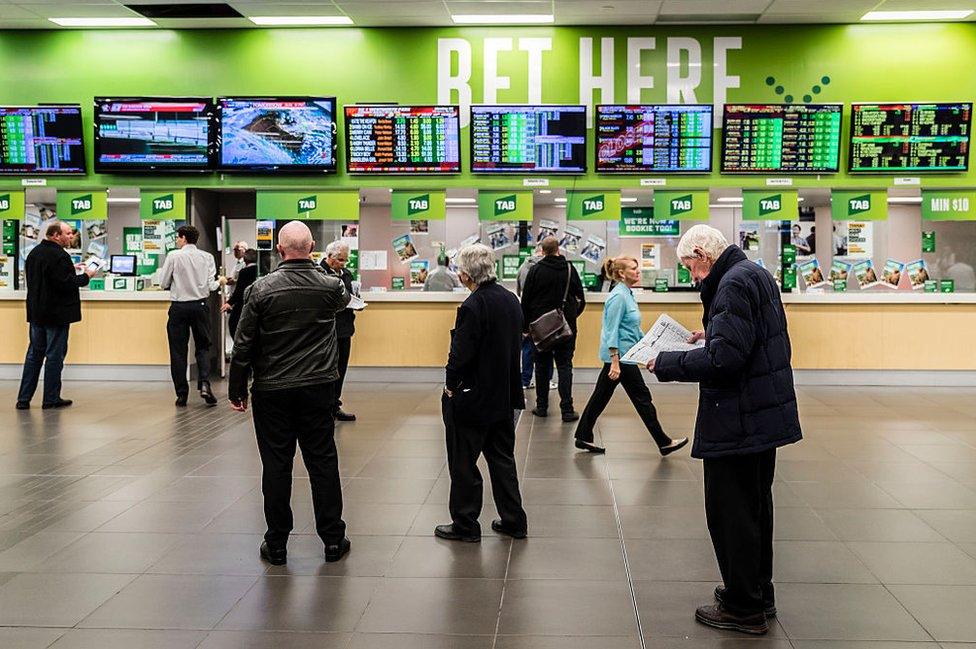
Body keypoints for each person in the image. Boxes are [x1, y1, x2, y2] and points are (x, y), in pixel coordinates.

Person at [648, 225, 802, 635]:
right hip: (761, 413)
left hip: (738, 418)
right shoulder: (753, 273)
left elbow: (725, 362)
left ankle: (742, 607)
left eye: (690, 267)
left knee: (730, 512)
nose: (692, 276)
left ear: (701, 253)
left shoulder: (731, 285)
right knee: (755, 509)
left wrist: (667, 362)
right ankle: (757, 592)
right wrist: (710, 334)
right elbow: (744, 340)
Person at [229, 221, 351, 566]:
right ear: (312, 247)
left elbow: (244, 344)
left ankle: (277, 543)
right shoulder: (331, 286)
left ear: (280, 250)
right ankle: (332, 539)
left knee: (277, 465)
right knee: (323, 461)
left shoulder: (260, 289)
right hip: (318, 387)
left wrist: (238, 388)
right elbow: (343, 303)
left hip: (272, 390)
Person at [436, 244, 528, 543]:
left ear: (465, 276)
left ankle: (465, 523)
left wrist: (450, 386)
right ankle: (514, 520)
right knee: (502, 460)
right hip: (504, 395)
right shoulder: (511, 300)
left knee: (463, 463)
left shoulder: (472, 306)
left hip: (473, 399)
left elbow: (460, 355)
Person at [573, 255, 689, 456]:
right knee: (642, 398)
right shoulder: (618, 297)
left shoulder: (627, 293)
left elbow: (632, 329)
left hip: (627, 355)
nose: (638, 272)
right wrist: (615, 361)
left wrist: (649, 349)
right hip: (621, 358)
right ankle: (663, 441)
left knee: (601, 396)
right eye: (634, 268)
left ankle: (583, 435)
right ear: (620, 273)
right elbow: (611, 331)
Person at [15, 222, 95, 410]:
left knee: (34, 355)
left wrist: (72, 268)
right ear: (56, 235)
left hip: (37, 314)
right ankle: (51, 398)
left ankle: (23, 399)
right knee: (54, 356)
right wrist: (87, 275)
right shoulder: (60, 255)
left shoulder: (34, 253)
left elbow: (49, 278)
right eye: (68, 233)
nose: (71, 236)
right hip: (56, 315)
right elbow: (65, 284)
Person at [520, 236, 585, 421]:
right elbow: (581, 299)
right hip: (566, 329)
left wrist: (526, 327)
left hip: (540, 329)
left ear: (542, 250)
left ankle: (541, 407)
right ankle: (567, 409)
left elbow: (526, 300)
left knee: (541, 366)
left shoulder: (535, 270)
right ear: (559, 249)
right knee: (565, 366)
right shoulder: (570, 270)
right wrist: (569, 319)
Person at [159, 225, 225, 408]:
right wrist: (219, 281)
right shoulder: (207, 257)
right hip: (200, 306)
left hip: (179, 308)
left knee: (178, 351)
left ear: (183, 238)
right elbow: (211, 286)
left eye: (177, 238)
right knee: (203, 346)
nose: (176, 241)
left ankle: (181, 394)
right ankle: (204, 383)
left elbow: (163, 282)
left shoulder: (173, 256)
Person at [320, 240, 358, 422]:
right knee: (328, 369)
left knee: (341, 368)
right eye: (340, 260)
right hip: (327, 329)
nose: (343, 264)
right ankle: (325, 406)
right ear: (330, 258)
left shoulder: (347, 274)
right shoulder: (319, 274)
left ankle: (335, 404)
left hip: (345, 327)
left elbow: (350, 295)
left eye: (345, 260)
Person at [221, 248, 258, 338]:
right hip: (256, 302)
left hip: (243, 303)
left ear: (245, 259)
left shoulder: (244, 272)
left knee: (233, 324)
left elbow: (239, 290)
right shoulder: (259, 270)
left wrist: (229, 303)